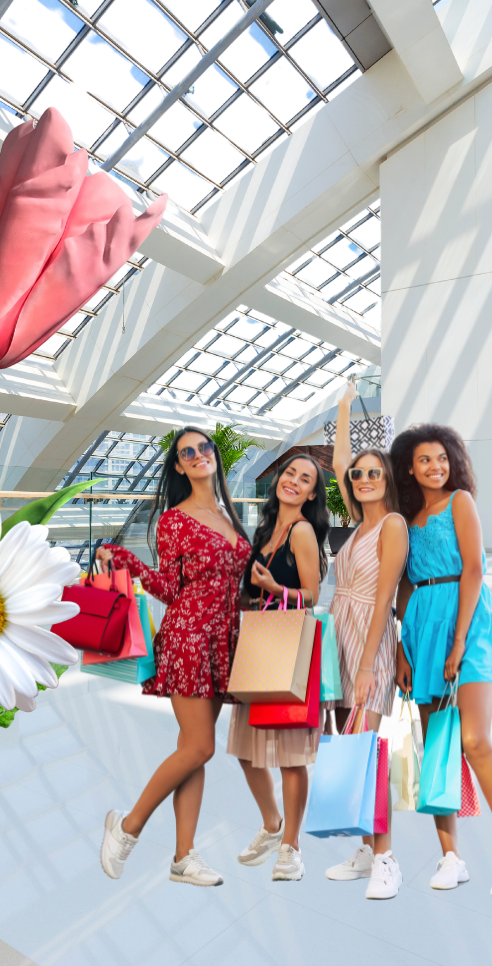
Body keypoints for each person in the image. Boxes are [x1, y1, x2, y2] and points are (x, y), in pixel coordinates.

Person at [96, 427, 251, 886]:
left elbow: (234, 580)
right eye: (188, 452)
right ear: (180, 466)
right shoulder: (174, 520)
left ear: (214, 457)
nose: (199, 454)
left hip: (223, 640)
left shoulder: (228, 513)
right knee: (200, 745)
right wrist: (127, 562)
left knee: (193, 750)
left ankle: (184, 858)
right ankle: (126, 827)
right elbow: (170, 588)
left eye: (205, 447)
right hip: (188, 637)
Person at [392, 424, 492, 897]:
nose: (436, 467)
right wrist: (404, 645)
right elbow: (403, 585)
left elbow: (475, 568)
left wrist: (459, 640)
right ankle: (451, 858)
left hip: (468, 624)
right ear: (409, 466)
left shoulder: (460, 501)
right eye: (425, 460)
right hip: (422, 629)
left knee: (474, 738)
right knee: (438, 750)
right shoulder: (405, 516)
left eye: (442, 458)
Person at [323, 380, 408, 899]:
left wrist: (368, 666)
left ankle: (386, 858)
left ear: (387, 479)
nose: (362, 478)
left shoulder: (392, 525)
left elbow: (382, 599)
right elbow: (337, 464)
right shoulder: (355, 525)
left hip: (369, 643)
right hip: (338, 637)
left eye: (374, 472)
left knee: (365, 750)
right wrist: (343, 407)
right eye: (359, 474)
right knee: (346, 748)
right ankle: (362, 846)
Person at [227, 454, 326, 883]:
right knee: (247, 752)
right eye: (290, 473)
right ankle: (272, 824)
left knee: (289, 756)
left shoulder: (302, 531)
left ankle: (291, 847)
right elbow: (250, 594)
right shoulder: (265, 530)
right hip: (258, 642)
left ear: (311, 494)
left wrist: (273, 587)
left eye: (305, 480)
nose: (294, 482)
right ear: (279, 480)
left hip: (287, 644)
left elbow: (312, 594)